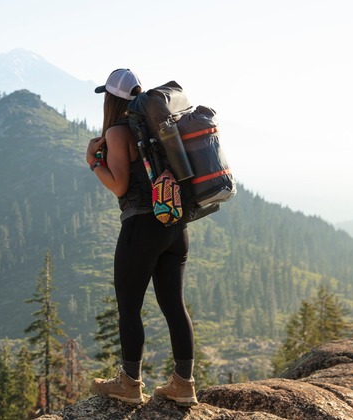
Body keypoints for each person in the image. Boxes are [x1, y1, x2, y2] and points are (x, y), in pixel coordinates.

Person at [87, 68, 198, 407]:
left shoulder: (119, 132)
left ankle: (130, 384)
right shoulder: (158, 127)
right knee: (174, 306)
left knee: (129, 307)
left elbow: (120, 185)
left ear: (111, 98)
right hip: (175, 225)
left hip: (142, 226)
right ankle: (183, 384)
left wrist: (93, 162)